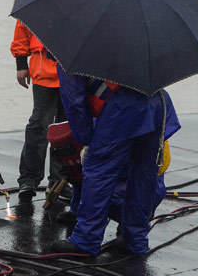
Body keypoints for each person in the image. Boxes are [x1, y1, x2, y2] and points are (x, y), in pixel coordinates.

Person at [51, 69, 181, 256]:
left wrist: (86, 139)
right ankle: (134, 239)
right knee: (144, 173)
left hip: (121, 108)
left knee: (99, 171)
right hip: (157, 103)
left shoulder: (71, 57)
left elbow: (74, 101)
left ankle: (86, 240)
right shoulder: (136, 50)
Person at [10, 0, 70, 202]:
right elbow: (23, 24)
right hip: (44, 72)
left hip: (72, 74)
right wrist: (20, 63)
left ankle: (60, 181)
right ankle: (29, 179)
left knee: (66, 129)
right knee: (38, 126)